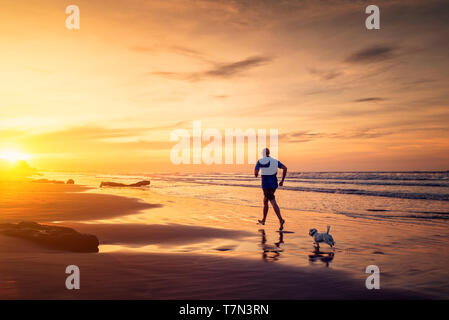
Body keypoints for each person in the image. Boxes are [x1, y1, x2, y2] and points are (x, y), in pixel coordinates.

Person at [254, 148, 287, 230]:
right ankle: (264, 220)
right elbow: (285, 168)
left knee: (272, 202)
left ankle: (281, 219)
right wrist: (282, 181)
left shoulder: (260, 161)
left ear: (263, 154)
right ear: (269, 153)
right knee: (265, 200)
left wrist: (256, 173)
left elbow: (255, 173)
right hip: (274, 185)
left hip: (266, 185)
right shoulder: (275, 161)